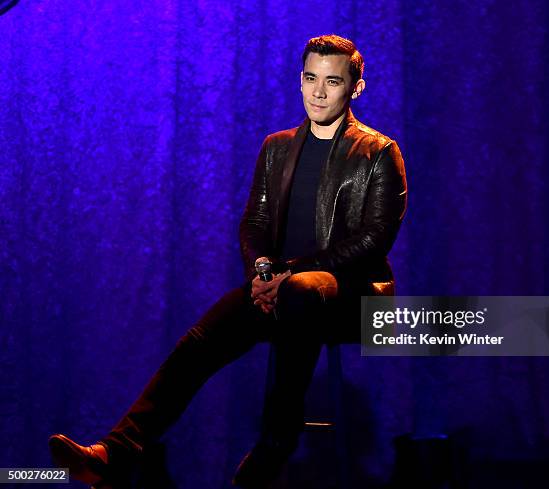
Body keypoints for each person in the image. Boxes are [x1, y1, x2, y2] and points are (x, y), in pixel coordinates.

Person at [49, 34, 407, 488]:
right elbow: (254, 224)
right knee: (202, 340)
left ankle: (275, 444)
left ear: (355, 87)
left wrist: (287, 274)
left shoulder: (379, 152)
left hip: (354, 299)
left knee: (298, 294)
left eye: (332, 81)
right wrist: (262, 272)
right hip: (279, 289)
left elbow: (372, 241)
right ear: (299, 81)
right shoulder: (277, 147)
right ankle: (113, 453)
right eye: (310, 78)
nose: (318, 91)